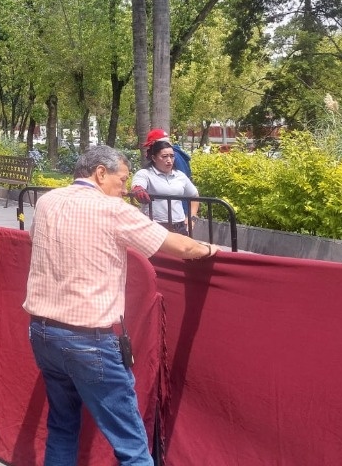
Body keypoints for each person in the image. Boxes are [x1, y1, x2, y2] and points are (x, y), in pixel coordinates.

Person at [25, 145, 217, 466]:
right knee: (131, 444)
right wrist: (211, 250)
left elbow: (36, 239)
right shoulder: (113, 210)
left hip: (43, 332)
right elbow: (180, 246)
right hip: (89, 340)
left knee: (62, 425)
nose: (126, 188)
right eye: (123, 179)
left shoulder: (47, 201)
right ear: (101, 173)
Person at [131, 139, 200, 235]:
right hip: (154, 227)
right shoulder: (145, 174)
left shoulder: (180, 175)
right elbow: (137, 185)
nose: (169, 160)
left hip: (179, 227)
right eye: (164, 156)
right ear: (154, 158)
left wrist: (192, 217)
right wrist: (138, 189)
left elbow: (194, 196)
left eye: (172, 156)